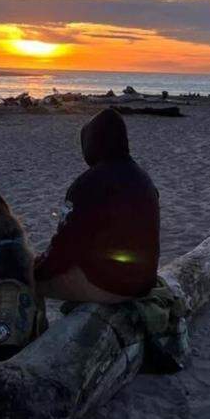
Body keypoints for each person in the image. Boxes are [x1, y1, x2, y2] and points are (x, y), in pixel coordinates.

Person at [33, 108, 160, 303]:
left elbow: (65, 245)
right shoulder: (143, 178)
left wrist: (37, 269)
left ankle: (38, 333)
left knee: (26, 283)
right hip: (145, 281)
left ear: (92, 143)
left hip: (114, 287)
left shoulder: (87, 184)